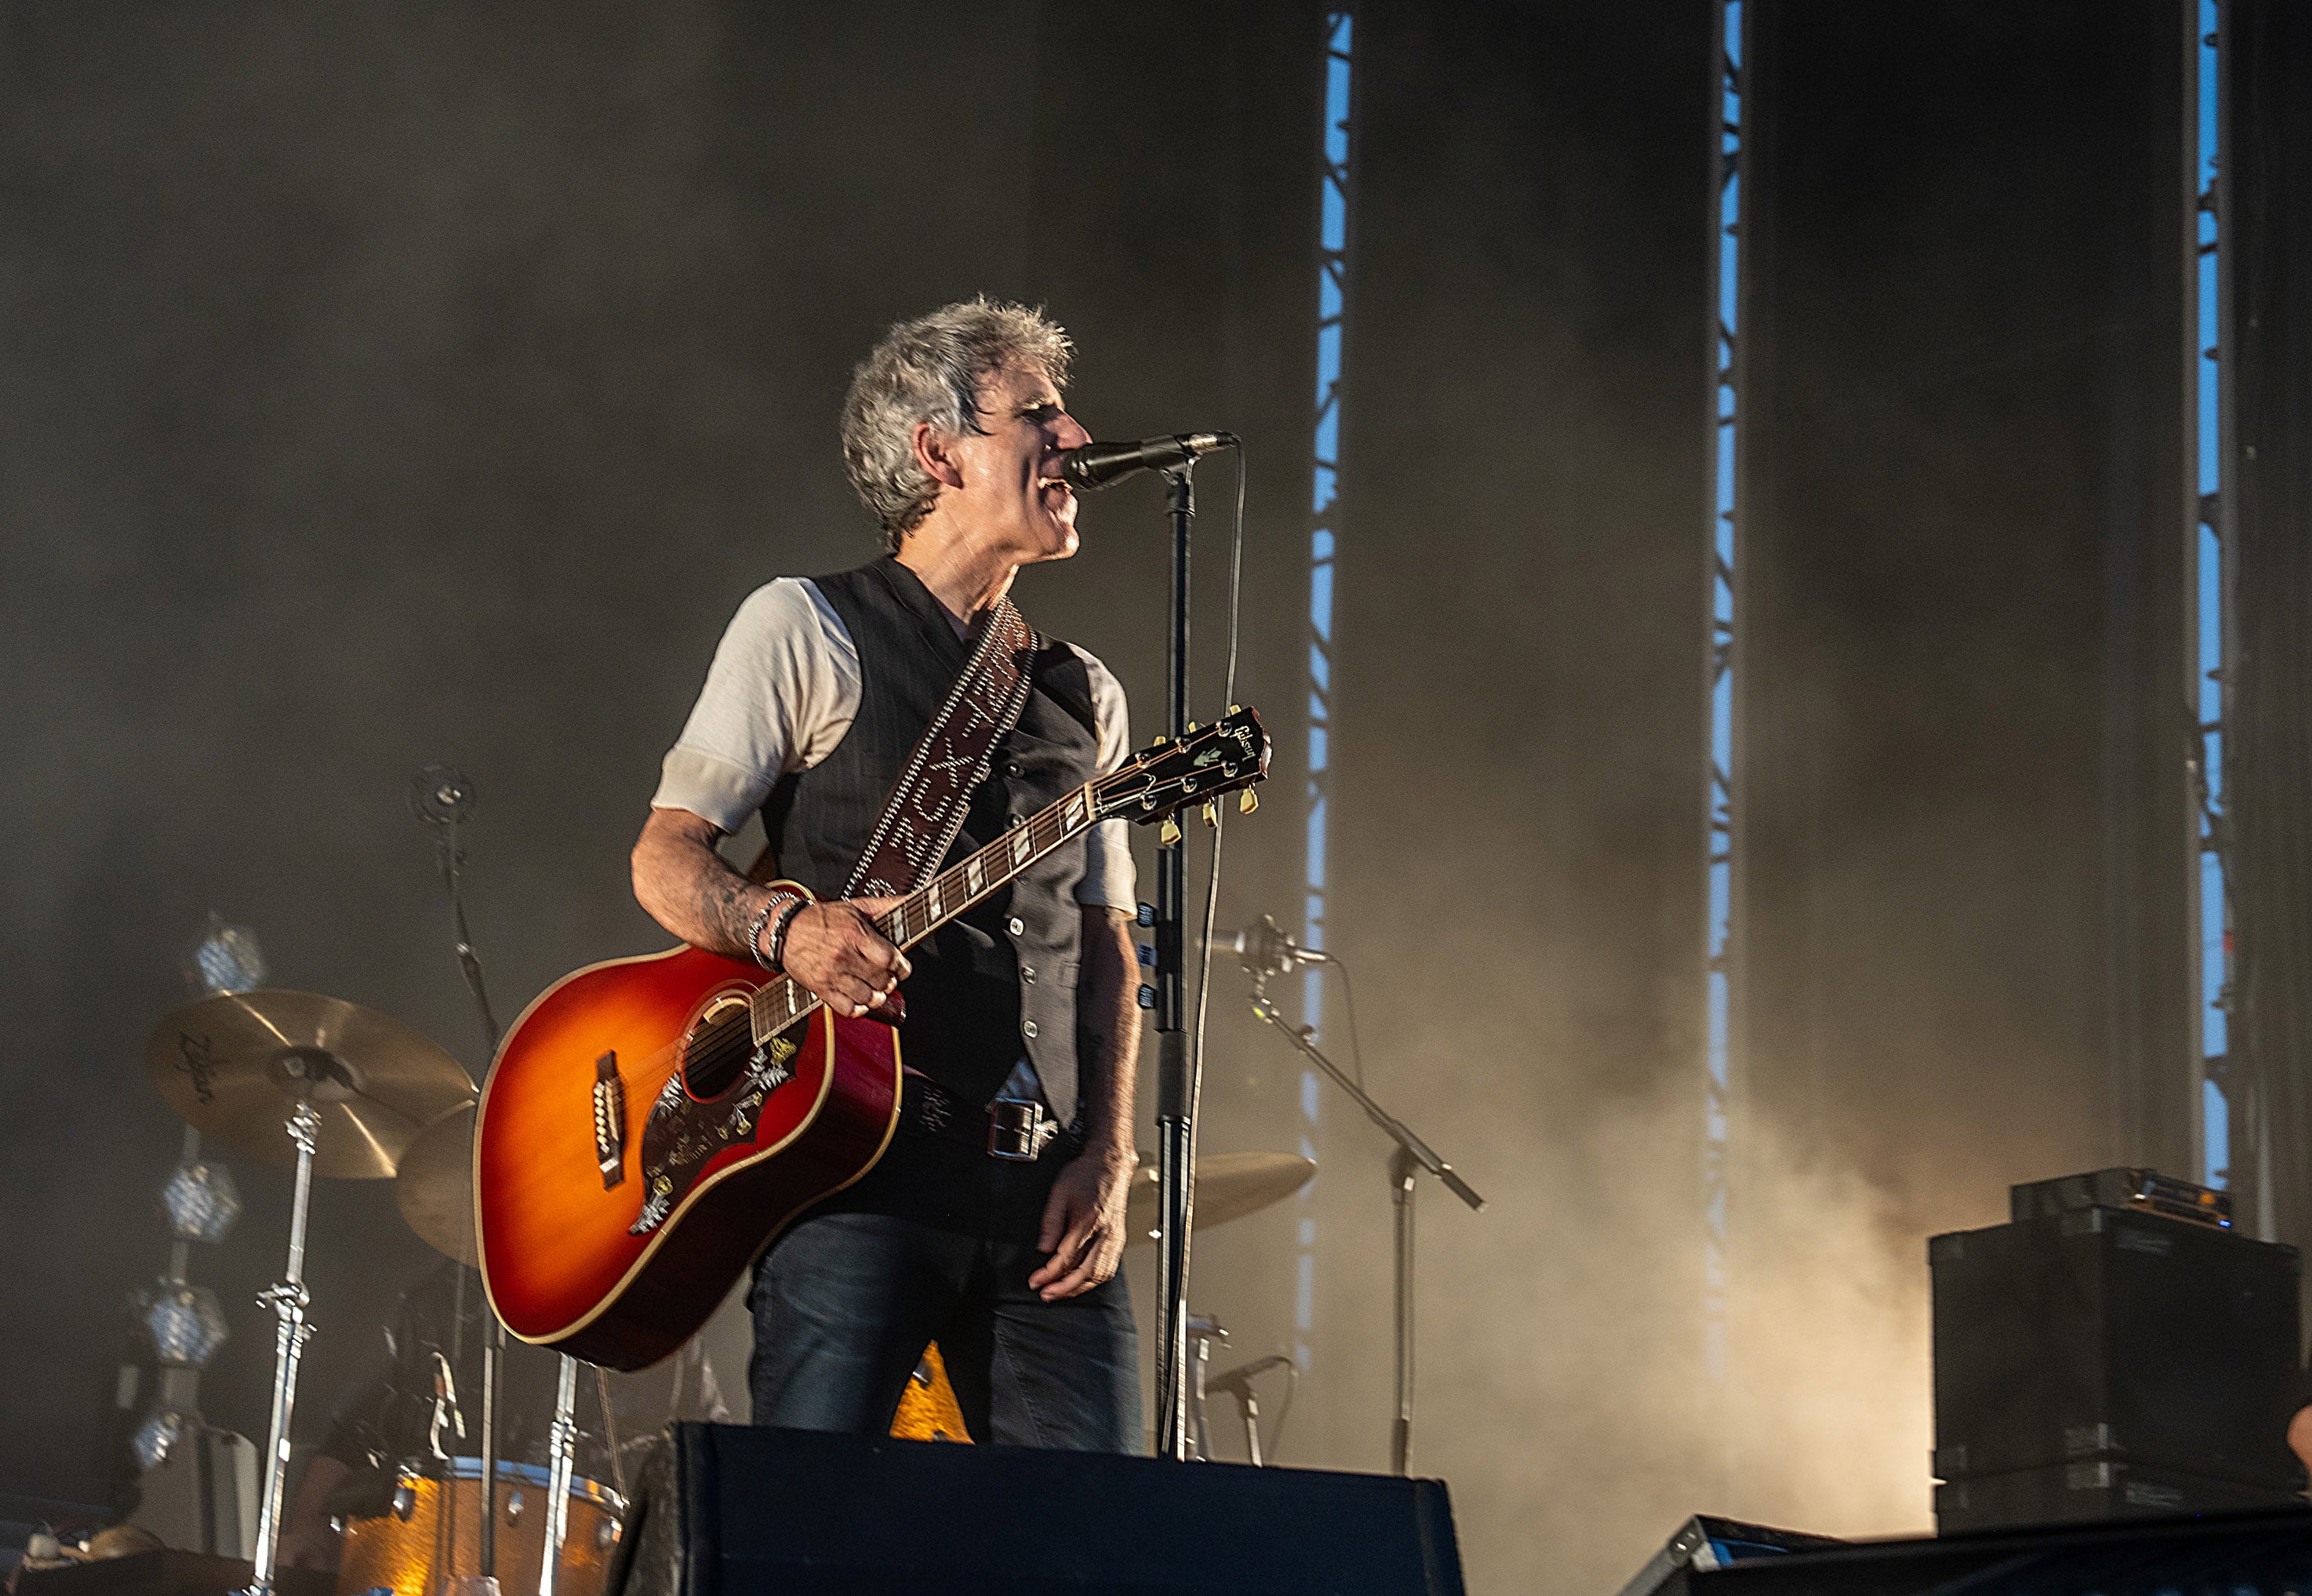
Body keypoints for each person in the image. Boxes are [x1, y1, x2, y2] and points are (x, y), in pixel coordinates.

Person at [628, 297, 1143, 1452]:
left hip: (1046, 1193)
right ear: (937, 452)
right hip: (853, 1173)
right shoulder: (803, 625)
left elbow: (1108, 945)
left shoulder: (1084, 691)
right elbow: (664, 858)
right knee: (811, 1526)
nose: (1074, 437)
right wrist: (786, 930)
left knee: (1102, 1536)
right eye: (1038, 414)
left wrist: (1109, 1155)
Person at [274, 1258, 728, 1569]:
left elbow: (722, 1468)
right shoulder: (445, 1300)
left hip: (600, 1570)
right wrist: (308, 1527)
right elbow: (355, 1434)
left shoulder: (664, 1325)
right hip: (434, 1563)